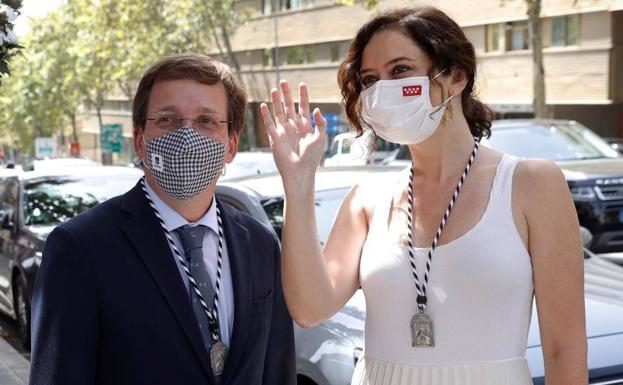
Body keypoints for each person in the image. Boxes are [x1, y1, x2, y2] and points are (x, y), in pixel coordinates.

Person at [260, 6, 587, 385]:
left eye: (400, 70)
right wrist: (298, 186)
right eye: (370, 79)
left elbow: (565, 348)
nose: (383, 89)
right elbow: (309, 308)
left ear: (457, 76)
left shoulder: (532, 183)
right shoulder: (367, 198)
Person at [30, 53, 295, 385]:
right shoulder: (80, 248)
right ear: (140, 140)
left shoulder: (260, 243)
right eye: (168, 119)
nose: (186, 137)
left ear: (230, 146)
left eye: (206, 121)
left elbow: (278, 373)